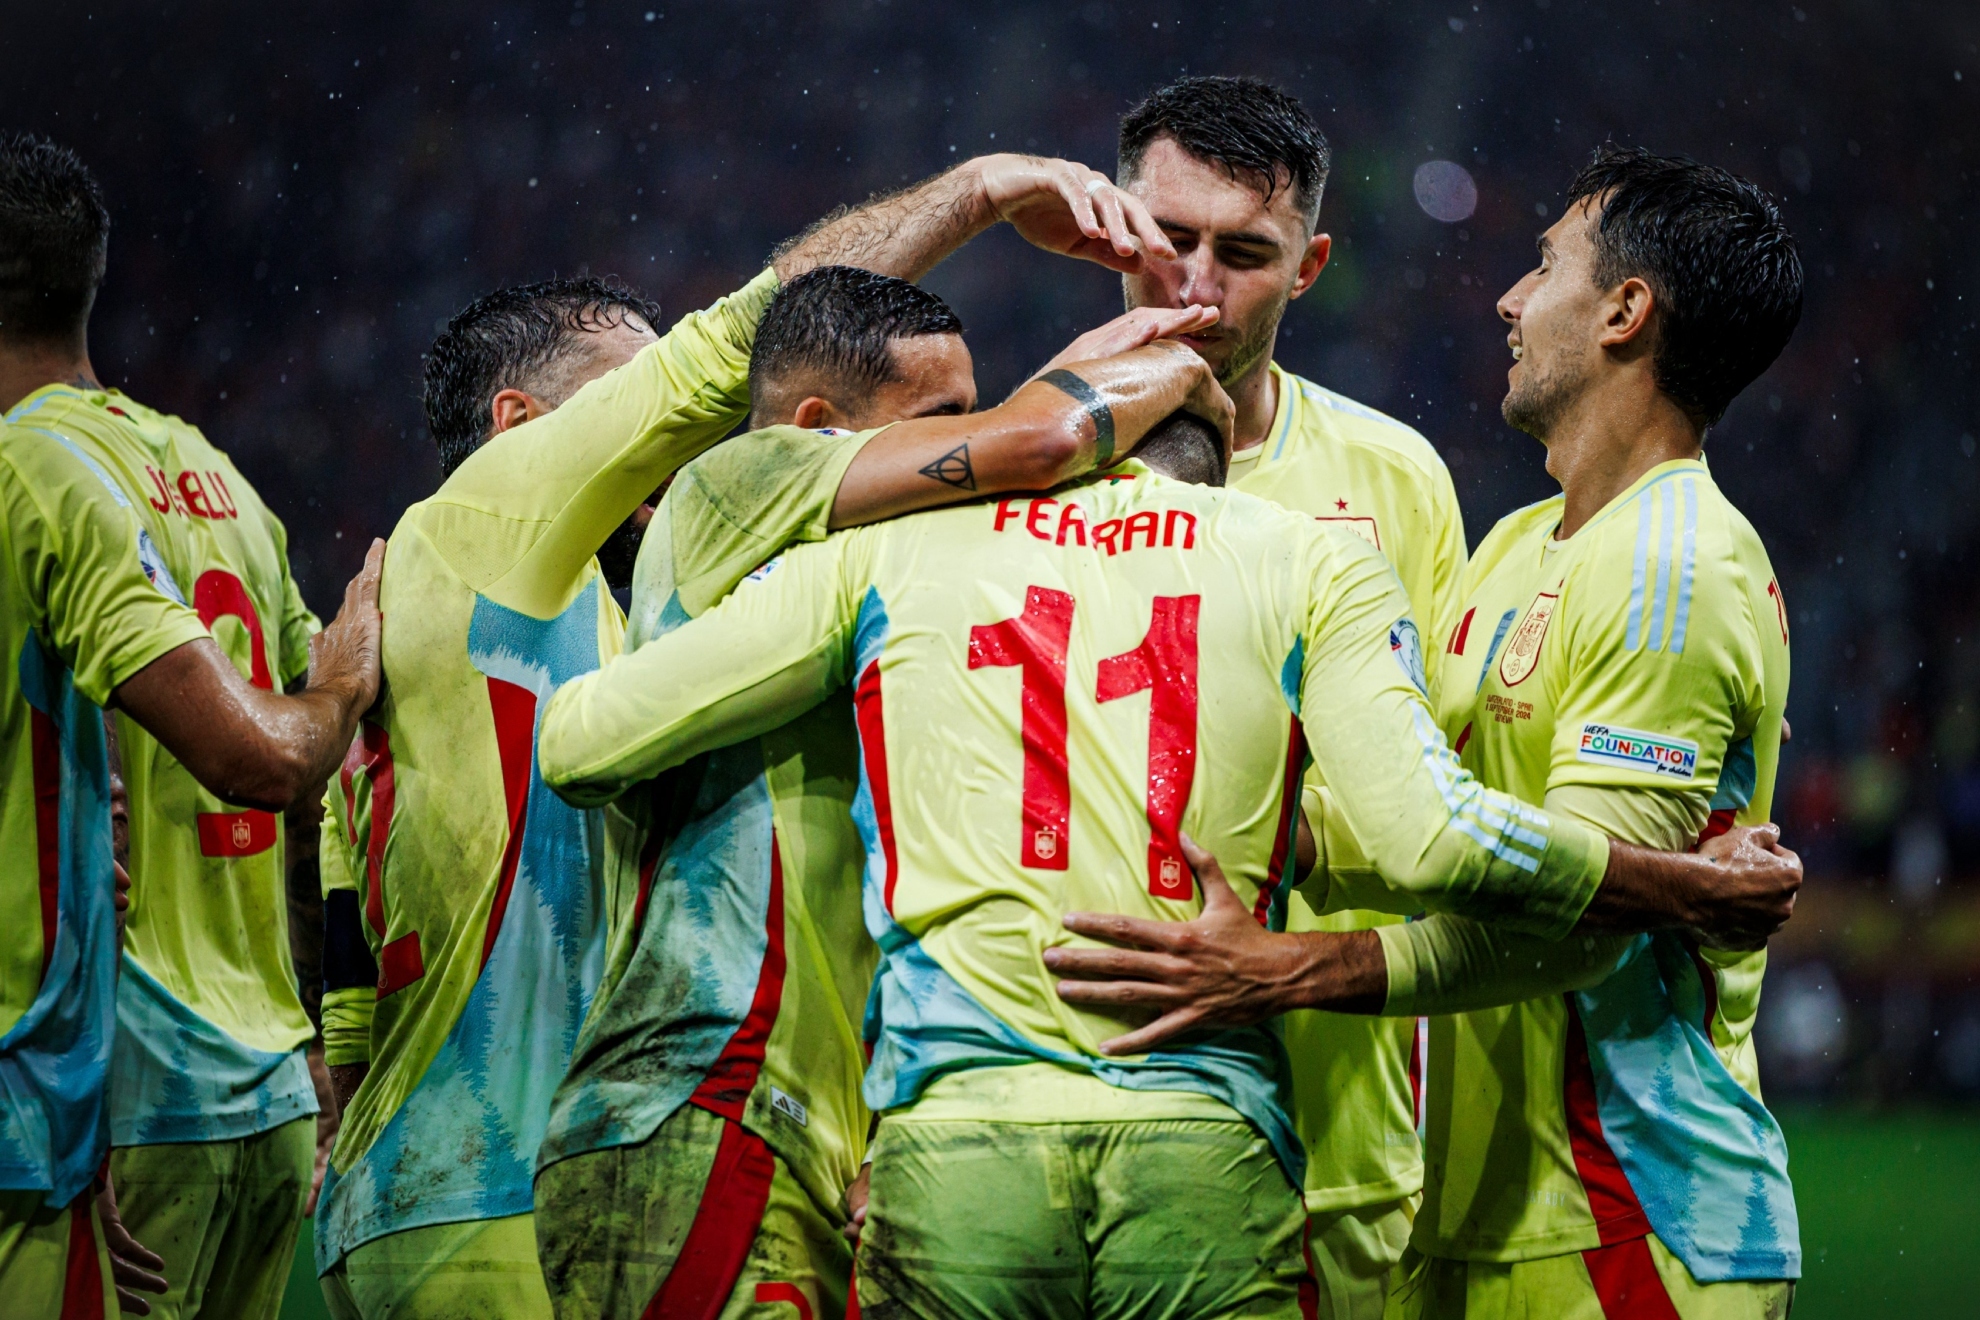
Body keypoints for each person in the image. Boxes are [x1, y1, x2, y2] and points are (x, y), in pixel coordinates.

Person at [533, 398, 1797, 1313]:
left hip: (960, 1139)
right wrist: (1666, 882)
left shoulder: (892, 551)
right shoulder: (1305, 556)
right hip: (1203, 1142)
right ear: (1216, 477)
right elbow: (1429, 834)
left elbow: (584, 741)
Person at [311, 151, 1183, 1320]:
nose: (693, 425)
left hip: (431, 1182)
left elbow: (348, 973)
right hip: (501, 1190)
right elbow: (744, 340)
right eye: (636, 393)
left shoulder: (572, 616)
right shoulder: (474, 529)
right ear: (519, 427)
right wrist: (976, 193)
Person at [1047, 146, 1806, 1320]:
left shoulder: (1677, 570)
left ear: (1625, 311)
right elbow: (1424, 814)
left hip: (1624, 1216)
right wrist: (1261, 840)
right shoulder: (1514, 549)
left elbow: (1577, 935)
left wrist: (1294, 970)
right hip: (1475, 1215)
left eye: (1544, 264)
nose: (1508, 298)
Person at [530, 264, 1226, 1320]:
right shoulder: (739, 482)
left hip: (816, 1128)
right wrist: (1168, 366)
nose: (972, 447)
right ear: (816, 427)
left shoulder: (888, 590)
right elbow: (1035, 443)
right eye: (946, 420)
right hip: (700, 1094)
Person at [0, 130, 383, 1320]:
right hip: (262, 1093)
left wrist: (331, 697)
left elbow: (265, 757)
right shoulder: (218, 478)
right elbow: (325, 800)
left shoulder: (27, 474)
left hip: (103, 1114)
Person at [1111, 74, 1467, 1316]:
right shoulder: (1009, 464)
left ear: (1309, 265)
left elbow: (1444, 788)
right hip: (1068, 1121)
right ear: (1112, 227)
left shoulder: (1396, 480)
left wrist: (1281, 833)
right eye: (1168, 239)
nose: (1196, 282)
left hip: (1339, 1151)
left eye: (1244, 253)